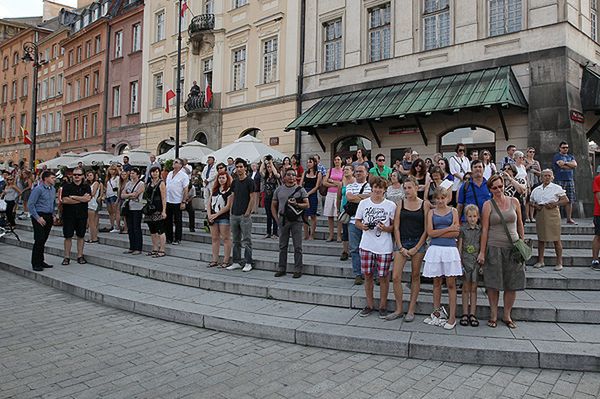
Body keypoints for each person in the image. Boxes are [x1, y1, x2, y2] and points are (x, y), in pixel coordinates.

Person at [478, 174, 526, 329]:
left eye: (500, 186)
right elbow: (484, 229)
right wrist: (482, 252)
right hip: (494, 246)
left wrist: (522, 244)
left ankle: (507, 314)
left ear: (504, 185)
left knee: (512, 284)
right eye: (494, 188)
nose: (498, 190)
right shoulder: (487, 205)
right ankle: (493, 314)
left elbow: (520, 223)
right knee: (493, 283)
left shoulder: (515, 201)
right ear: (490, 189)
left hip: (513, 247)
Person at [387, 176, 429, 321]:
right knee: (396, 276)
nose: (407, 190)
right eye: (405, 188)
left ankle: (411, 310)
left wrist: (416, 247)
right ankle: (399, 309)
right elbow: (396, 227)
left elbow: (426, 229)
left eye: (410, 187)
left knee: (415, 276)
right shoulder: (400, 203)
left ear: (417, 188)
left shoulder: (425, 204)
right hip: (402, 242)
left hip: (418, 242)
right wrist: (400, 246)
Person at [354, 177, 395, 318]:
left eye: (380, 188)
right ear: (372, 188)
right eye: (375, 187)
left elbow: (394, 228)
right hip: (366, 245)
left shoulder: (391, 205)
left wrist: (385, 228)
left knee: (384, 277)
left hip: (384, 246)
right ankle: (369, 304)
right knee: (368, 276)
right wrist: (363, 226)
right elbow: (357, 222)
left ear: (384, 189)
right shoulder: (364, 203)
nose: (377, 190)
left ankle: (383, 306)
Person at [422, 187, 461, 330]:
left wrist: (446, 231)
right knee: (436, 283)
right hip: (435, 249)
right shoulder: (431, 212)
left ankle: (452, 317)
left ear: (447, 198)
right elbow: (430, 232)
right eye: (437, 198)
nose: (440, 201)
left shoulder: (454, 211)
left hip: (450, 250)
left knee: (450, 284)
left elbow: (456, 233)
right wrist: (448, 229)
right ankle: (437, 313)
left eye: (442, 198)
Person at [272, 168, 310, 278]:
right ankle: (281, 268)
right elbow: (273, 205)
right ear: (284, 177)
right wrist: (276, 219)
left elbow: (307, 205)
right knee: (282, 246)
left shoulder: (300, 189)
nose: (291, 177)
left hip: (296, 221)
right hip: (283, 220)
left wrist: (296, 205)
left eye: (294, 174)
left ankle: (298, 269)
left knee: (297, 246)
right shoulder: (279, 190)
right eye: (289, 174)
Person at [530, 169, 569, 271]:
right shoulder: (536, 189)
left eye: (549, 175)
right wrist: (535, 206)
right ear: (541, 177)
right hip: (540, 212)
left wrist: (555, 204)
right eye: (545, 176)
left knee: (556, 238)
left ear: (552, 177)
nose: (547, 177)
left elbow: (566, 200)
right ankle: (541, 260)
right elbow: (530, 201)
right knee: (541, 238)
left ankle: (559, 262)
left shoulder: (556, 188)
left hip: (552, 212)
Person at [227, 158, 257, 272]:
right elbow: (232, 196)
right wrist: (231, 210)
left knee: (247, 240)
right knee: (235, 240)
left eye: (241, 167)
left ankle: (248, 262)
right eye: (237, 167)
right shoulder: (234, 182)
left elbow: (252, 197)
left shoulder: (250, 181)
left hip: (244, 215)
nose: (239, 169)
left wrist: (247, 212)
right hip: (234, 214)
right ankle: (236, 261)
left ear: (245, 168)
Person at [60, 167, 91, 265]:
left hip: (82, 215)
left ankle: (80, 256)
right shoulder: (67, 186)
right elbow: (64, 200)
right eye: (75, 175)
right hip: (68, 215)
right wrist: (81, 199)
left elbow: (88, 199)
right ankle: (66, 257)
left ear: (83, 176)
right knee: (68, 236)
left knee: (81, 236)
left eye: (79, 174)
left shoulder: (86, 187)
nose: (76, 176)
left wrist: (73, 197)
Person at [346, 165, 371, 285]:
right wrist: (364, 197)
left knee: (371, 249)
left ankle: (373, 274)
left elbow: (373, 197)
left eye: (361, 171)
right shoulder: (350, 185)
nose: (358, 173)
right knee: (354, 249)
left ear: (366, 173)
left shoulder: (371, 186)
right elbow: (349, 198)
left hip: (368, 223)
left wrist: (358, 197)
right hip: (353, 222)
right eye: (356, 172)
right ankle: (358, 274)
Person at [458, 205, 482, 327]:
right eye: (469, 216)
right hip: (465, 260)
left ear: (478, 217)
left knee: (474, 287)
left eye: (474, 216)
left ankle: (472, 313)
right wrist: (459, 260)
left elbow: (482, 244)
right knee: (465, 287)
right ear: (466, 217)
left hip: (476, 261)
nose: (472, 219)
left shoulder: (480, 230)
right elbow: (460, 246)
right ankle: (464, 313)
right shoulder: (463, 229)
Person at [28, 170, 57, 271]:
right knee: (39, 239)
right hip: (39, 215)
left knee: (43, 239)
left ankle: (41, 260)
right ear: (46, 178)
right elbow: (30, 204)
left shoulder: (53, 189)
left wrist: (53, 214)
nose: (55, 180)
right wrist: (37, 217)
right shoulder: (38, 189)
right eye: (52, 178)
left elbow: (53, 203)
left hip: (48, 215)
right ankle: (35, 263)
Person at [207, 172, 233, 267]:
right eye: (219, 178)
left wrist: (216, 214)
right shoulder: (214, 190)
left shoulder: (229, 191)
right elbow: (209, 203)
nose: (221, 179)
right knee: (214, 238)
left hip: (223, 217)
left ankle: (226, 260)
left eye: (223, 178)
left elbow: (228, 206)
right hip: (213, 217)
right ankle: (214, 259)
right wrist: (209, 214)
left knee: (226, 238)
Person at [144, 166, 167, 258]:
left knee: (160, 229)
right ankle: (155, 248)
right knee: (152, 230)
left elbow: (164, 197)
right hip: (150, 210)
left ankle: (162, 249)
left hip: (158, 209)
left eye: (157, 172)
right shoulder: (149, 183)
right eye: (153, 172)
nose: (155, 173)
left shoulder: (161, 183)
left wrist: (164, 210)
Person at [552, 141, 578, 224]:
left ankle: (569, 218)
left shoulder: (571, 156)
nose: (565, 149)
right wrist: (569, 166)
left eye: (566, 147)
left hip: (569, 179)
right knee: (558, 199)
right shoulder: (557, 156)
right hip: (559, 179)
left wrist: (566, 163)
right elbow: (560, 165)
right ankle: (557, 217)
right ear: (560, 148)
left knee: (570, 200)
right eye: (563, 147)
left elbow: (574, 165)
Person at [165, 158, 189, 245]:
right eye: (173, 162)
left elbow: (186, 189)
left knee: (177, 220)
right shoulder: (170, 173)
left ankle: (177, 238)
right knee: (168, 220)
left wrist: (183, 201)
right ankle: (169, 238)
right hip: (168, 200)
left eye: (176, 162)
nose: (174, 164)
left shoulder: (183, 175)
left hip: (177, 200)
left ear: (180, 165)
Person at [121, 168, 145, 255]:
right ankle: (132, 247)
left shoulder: (141, 184)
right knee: (130, 228)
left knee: (136, 228)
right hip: (129, 207)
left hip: (137, 208)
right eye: (131, 173)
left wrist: (128, 195)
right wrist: (129, 195)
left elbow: (136, 195)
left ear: (138, 174)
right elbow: (122, 195)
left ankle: (138, 248)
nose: (131, 175)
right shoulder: (128, 183)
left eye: (133, 173)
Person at [322, 155, 344, 242]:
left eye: (338, 159)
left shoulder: (343, 171)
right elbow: (324, 182)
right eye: (335, 159)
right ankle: (331, 235)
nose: (337, 161)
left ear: (341, 161)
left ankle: (339, 235)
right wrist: (335, 184)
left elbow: (342, 184)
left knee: (338, 215)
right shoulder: (330, 170)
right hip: (330, 193)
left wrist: (331, 181)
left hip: (339, 195)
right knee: (330, 215)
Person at [300, 157, 322, 240]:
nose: (308, 163)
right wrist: (303, 193)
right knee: (304, 215)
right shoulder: (305, 173)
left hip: (312, 195)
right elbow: (300, 184)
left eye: (310, 162)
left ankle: (312, 234)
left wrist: (308, 193)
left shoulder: (318, 173)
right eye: (308, 162)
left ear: (314, 163)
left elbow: (317, 186)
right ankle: (305, 234)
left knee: (313, 215)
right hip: (304, 193)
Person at [337, 164, 355, 261]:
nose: (346, 171)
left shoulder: (356, 182)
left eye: (348, 169)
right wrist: (338, 210)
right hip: (344, 209)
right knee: (345, 231)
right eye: (344, 169)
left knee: (355, 230)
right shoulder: (341, 183)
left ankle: (355, 250)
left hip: (354, 209)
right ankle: (345, 251)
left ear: (352, 171)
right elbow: (338, 197)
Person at [260, 156, 280, 239]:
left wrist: (271, 162)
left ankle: (275, 233)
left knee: (274, 215)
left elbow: (276, 174)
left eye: (270, 167)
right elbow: (261, 171)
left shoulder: (276, 175)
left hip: (275, 198)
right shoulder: (266, 176)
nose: (269, 168)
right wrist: (263, 162)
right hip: (267, 197)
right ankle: (268, 232)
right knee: (268, 215)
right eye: (267, 167)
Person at [524, 146, 541, 223]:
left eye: (533, 152)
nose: (532, 153)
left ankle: (532, 216)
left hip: (535, 181)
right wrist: (529, 165)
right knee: (527, 199)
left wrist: (534, 171)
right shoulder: (524, 161)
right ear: (527, 153)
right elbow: (523, 169)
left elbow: (540, 173)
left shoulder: (536, 162)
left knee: (533, 200)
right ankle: (527, 216)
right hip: (527, 181)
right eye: (530, 152)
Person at [85, 171, 102, 243]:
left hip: (92, 203)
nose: (89, 176)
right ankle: (91, 237)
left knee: (91, 222)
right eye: (88, 175)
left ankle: (94, 237)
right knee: (90, 222)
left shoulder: (96, 183)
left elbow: (93, 193)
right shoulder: (88, 184)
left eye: (90, 175)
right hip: (88, 203)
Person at [104, 165, 121, 233]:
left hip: (114, 195)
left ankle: (117, 226)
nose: (112, 171)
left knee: (115, 211)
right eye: (110, 170)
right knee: (110, 211)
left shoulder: (117, 178)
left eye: (113, 170)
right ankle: (112, 225)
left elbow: (118, 187)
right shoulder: (108, 178)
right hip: (108, 195)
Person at [593, 165, 600, 271]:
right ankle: (595, 259)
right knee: (598, 236)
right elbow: (599, 198)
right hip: (599, 213)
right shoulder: (598, 179)